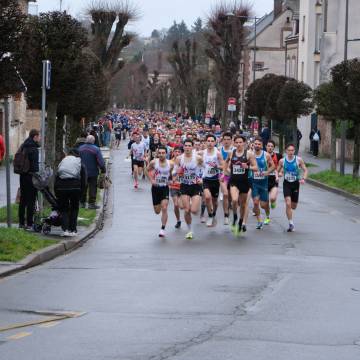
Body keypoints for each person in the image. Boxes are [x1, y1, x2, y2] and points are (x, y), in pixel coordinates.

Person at [225, 135, 257, 236]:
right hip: (234, 181)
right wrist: (226, 171)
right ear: (234, 143)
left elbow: (255, 167)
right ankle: (235, 216)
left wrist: (248, 166)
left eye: (240, 142)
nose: (238, 144)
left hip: (244, 182)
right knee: (234, 200)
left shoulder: (249, 154)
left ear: (244, 143)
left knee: (243, 205)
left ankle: (241, 221)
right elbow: (225, 163)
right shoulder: (231, 153)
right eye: (237, 142)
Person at [174, 139, 203, 239]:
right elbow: (174, 171)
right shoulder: (179, 159)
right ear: (183, 147)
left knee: (194, 210)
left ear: (192, 147)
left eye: (189, 146)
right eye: (185, 145)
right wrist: (176, 176)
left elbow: (206, 169)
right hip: (184, 185)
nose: (187, 147)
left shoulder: (198, 158)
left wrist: (202, 179)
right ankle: (190, 230)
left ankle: (194, 206)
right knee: (186, 210)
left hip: (195, 185)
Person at [55, 149, 87, 237]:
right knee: (74, 208)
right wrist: (82, 193)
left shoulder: (63, 162)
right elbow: (84, 180)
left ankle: (65, 229)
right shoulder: (79, 163)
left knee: (64, 208)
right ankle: (73, 230)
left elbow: (57, 177)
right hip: (75, 187)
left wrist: (57, 191)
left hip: (62, 187)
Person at [278, 143, 308, 232]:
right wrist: (279, 174)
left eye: (292, 150)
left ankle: (290, 211)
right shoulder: (282, 161)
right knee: (288, 203)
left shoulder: (298, 160)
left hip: (295, 184)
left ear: (294, 151)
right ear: (286, 151)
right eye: (289, 150)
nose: (291, 152)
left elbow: (305, 170)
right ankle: (291, 223)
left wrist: (303, 179)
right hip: (286, 184)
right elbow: (277, 170)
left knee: (293, 206)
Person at [147, 146, 174, 238]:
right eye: (160, 153)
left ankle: (163, 228)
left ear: (166, 154)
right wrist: (152, 180)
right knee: (157, 211)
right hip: (155, 188)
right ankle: (157, 208)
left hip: (165, 188)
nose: (161, 154)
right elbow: (147, 170)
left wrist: (171, 180)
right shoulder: (154, 162)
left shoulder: (170, 163)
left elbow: (172, 174)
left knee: (164, 207)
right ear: (158, 154)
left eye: (163, 153)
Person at [18, 129, 40, 230]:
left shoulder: (23, 146)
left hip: (22, 175)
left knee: (23, 199)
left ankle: (21, 222)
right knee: (31, 200)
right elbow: (35, 166)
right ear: (35, 136)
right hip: (31, 176)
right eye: (38, 136)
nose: (39, 138)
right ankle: (30, 223)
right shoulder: (34, 148)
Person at [251, 137, 275, 229]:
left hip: (264, 182)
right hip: (254, 182)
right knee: (256, 202)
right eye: (255, 144)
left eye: (259, 144)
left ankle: (267, 215)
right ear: (253, 144)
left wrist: (267, 172)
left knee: (264, 205)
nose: (257, 145)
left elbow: (273, 166)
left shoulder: (266, 155)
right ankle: (259, 221)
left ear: (262, 145)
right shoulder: (250, 154)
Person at [201, 134, 224, 227]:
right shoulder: (202, 152)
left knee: (215, 201)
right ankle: (210, 216)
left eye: (212, 141)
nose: (210, 143)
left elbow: (223, 166)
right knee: (207, 197)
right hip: (205, 179)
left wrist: (217, 166)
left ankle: (213, 213)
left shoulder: (217, 153)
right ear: (206, 142)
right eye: (208, 141)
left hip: (215, 179)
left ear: (215, 142)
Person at [79, 135, 106, 209]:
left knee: (83, 186)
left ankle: (82, 202)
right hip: (93, 171)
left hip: (82, 171)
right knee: (92, 187)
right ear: (93, 141)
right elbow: (100, 161)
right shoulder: (96, 149)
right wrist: (103, 169)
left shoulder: (80, 148)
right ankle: (91, 203)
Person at [266, 140, 282, 210]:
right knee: (264, 200)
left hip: (274, 179)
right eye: (268, 146)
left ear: (274, 148)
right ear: (266, 147)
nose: (270, 148)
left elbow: (282, 165)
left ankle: (273, 202)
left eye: (272, 146)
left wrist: (281, 172)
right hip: (263, 179)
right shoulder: (262, 154)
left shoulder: (278, 156)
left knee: (272, 198)